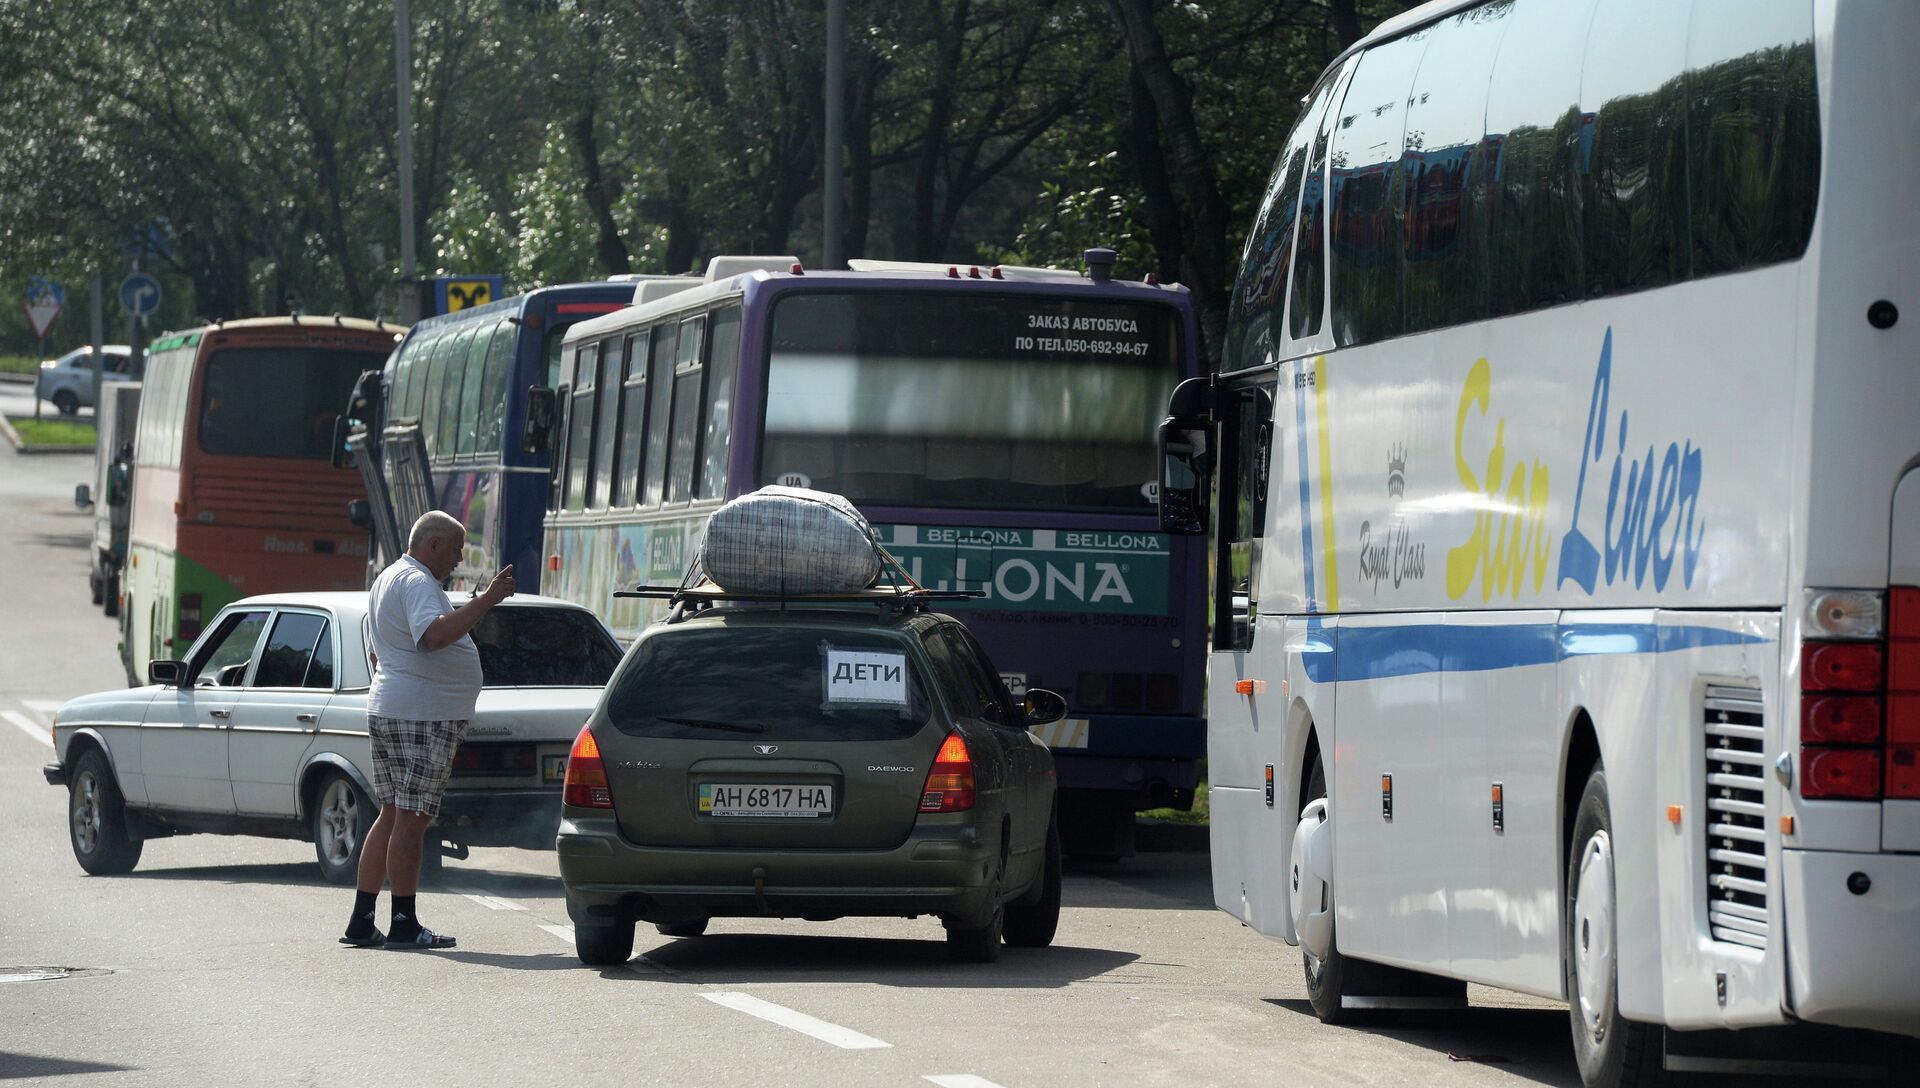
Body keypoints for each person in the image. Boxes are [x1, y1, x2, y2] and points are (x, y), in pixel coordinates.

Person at [341, 511, 514, 950]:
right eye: (455, 549)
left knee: (394, 812)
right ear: (433, 545)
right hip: (420, 716)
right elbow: (433, 636)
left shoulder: (390, 578)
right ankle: (404, 923)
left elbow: (387, 651)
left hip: (395, 707)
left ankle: (362, 920)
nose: (459, 559)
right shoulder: (417, 582)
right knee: (414, 818)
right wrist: (486, 601)